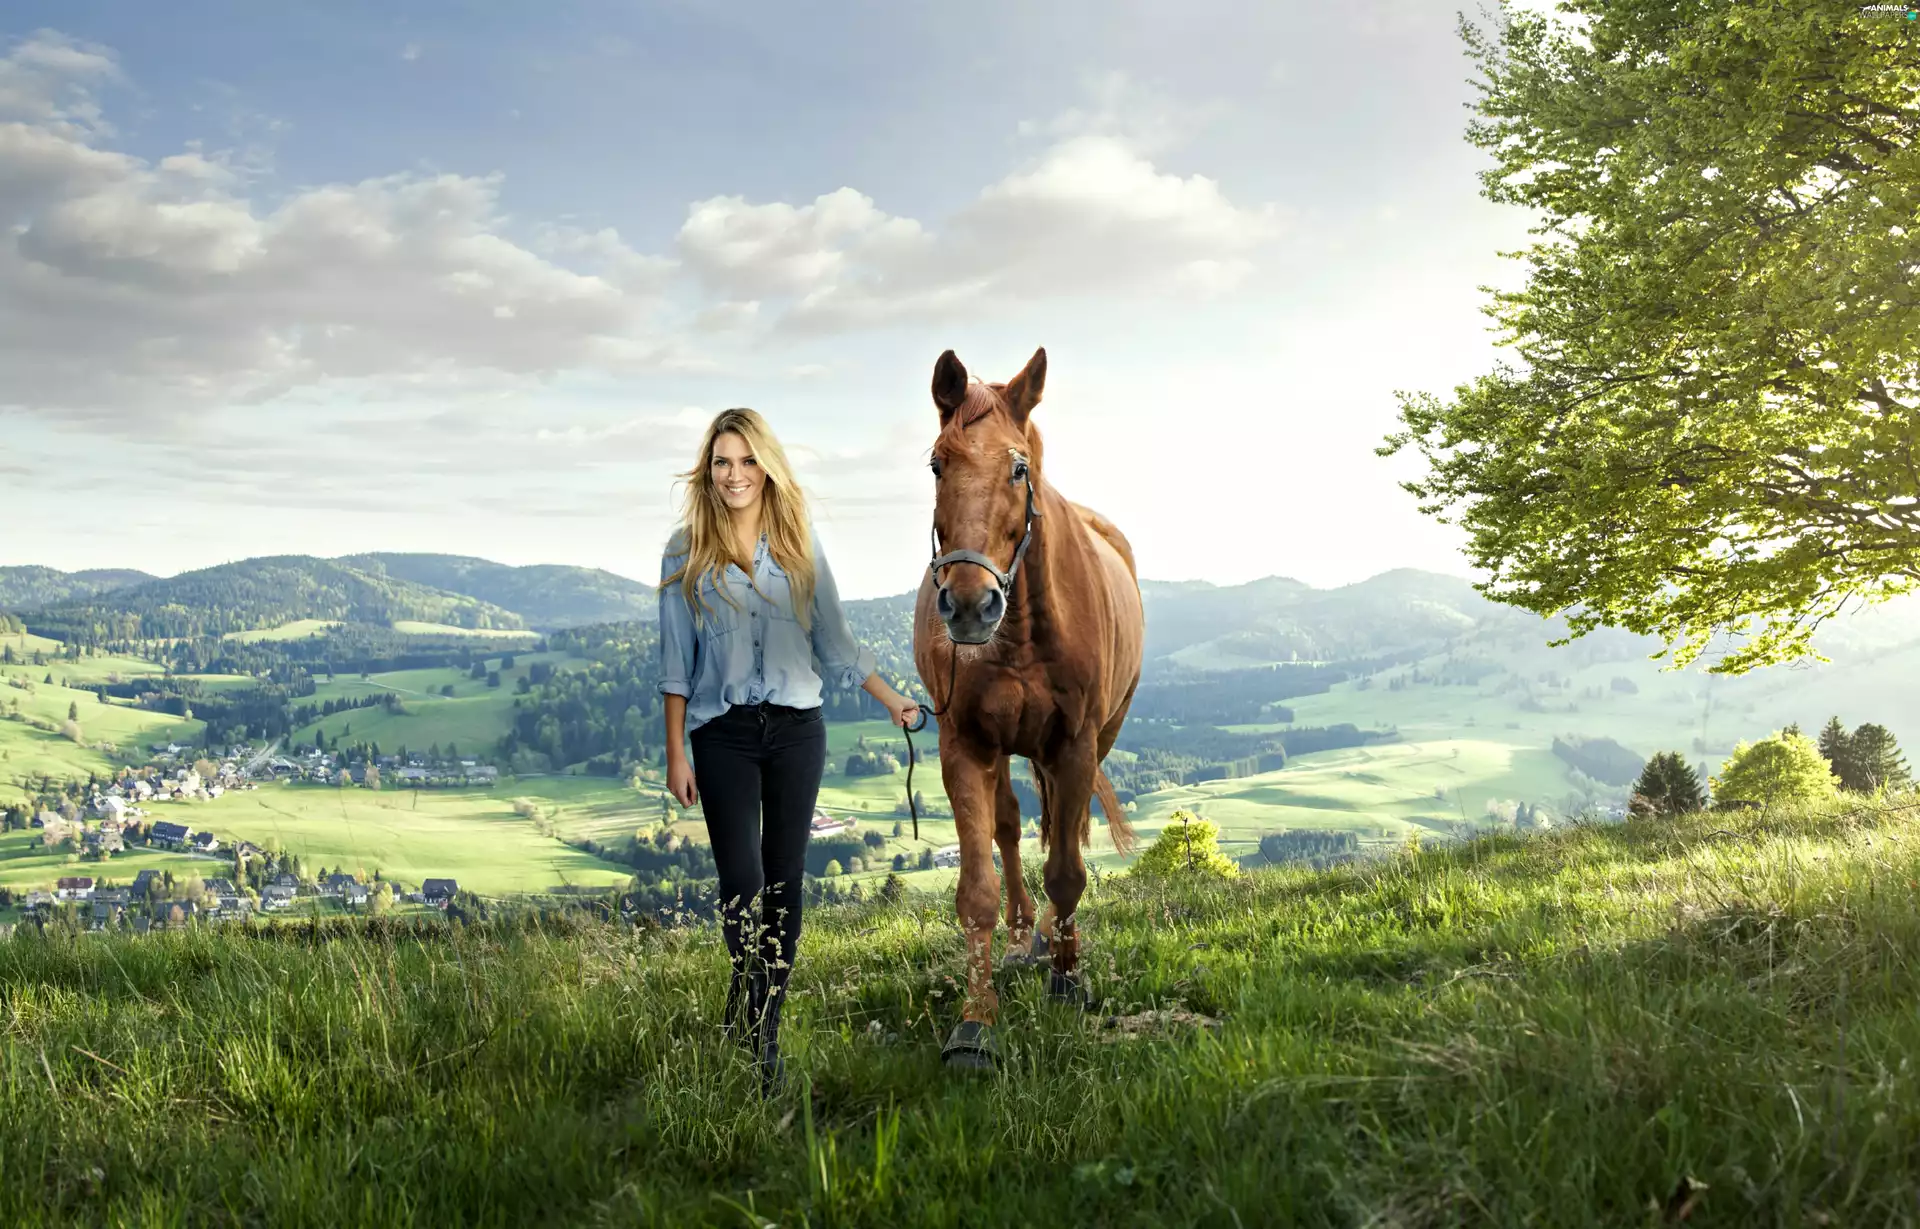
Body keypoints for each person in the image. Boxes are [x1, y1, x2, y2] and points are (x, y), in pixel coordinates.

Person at [656, 407, 921, 1096]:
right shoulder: (683, 552)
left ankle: (761, 1031)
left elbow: (835, 641)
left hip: (798, 731)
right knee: (739, 888)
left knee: (784, 884)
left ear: (767, 466)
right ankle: (747, 999)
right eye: (722, 461)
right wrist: (675, 752)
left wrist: (894, 700)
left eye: (747, 460)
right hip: (723, 737)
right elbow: (675, 664)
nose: (735, 474)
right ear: (707, 471)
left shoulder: (800, 544)